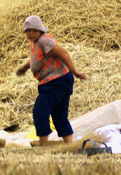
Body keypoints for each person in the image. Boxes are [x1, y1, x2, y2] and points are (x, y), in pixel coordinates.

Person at [15, 15, 87, 146]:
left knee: (40, 110)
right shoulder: (35, 42)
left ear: (39, 30)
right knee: (59, 114)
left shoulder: (45, 40)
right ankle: (69, 145)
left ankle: (43, 146)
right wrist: (25, 68)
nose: (30, 33)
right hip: (52, 82)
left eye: (33, 30)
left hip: (57, 81)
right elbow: (36, 58)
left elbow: (63, 53)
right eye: (27, 31)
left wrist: (74, 71)